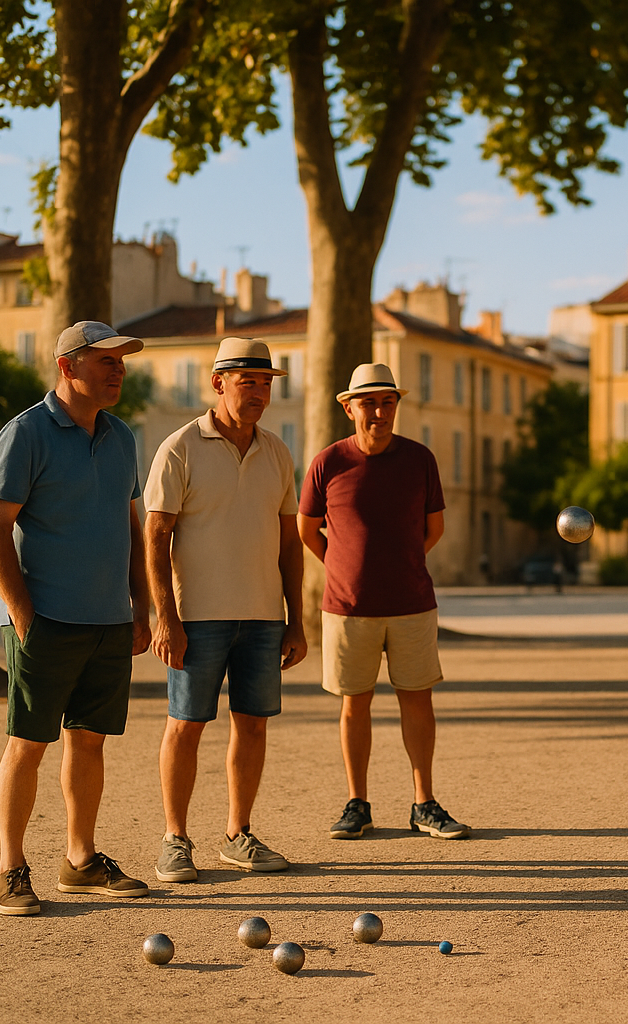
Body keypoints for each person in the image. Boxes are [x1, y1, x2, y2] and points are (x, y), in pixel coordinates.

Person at [0, 320, 154, 916]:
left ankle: (80, 861)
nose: (117, 370)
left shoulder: (123, 436)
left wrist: (143, 604)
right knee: (27, 744)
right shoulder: (25, 433)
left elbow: (129, 526)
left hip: (107, 619)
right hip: (44, 618)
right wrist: (23, 614)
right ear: (66, 366)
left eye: (121, 362)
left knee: (90, 741)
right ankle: (10, 868)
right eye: (104, 360)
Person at [145, 338, 307, 881]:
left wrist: (297, 620)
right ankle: (175, 838)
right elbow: (155, 538)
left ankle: (238, 834)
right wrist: (163, 617)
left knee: (253, 725)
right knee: (185, 726)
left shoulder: (279, 452)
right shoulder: (180, 448)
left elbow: (290, 544)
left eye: (266, 383)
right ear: (218, 383)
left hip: (263, 618)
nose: (260, 393)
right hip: (197, 619)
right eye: (248, 382)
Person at [297, 362, 470, 841]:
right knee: (355, 704)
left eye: (387, 401)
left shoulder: (420, 460)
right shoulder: (328, 462)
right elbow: (306, 530)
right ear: (349, 407)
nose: (379, 411)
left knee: (418, 702)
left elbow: (433, 529)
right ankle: (358, 804)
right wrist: (342, 565)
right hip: (347, 607)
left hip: (413, 602)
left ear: (397, 406)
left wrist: (402, 561)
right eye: (368, 402)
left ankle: (425, 803)